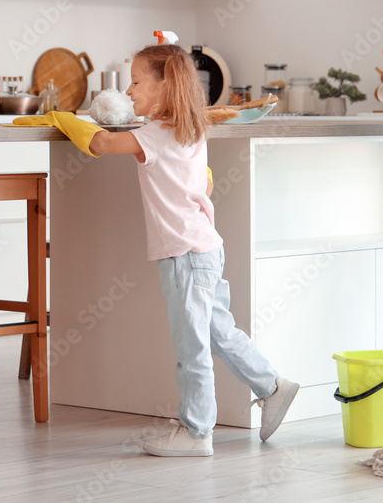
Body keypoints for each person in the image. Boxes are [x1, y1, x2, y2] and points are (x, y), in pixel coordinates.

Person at [87, 42, 299, 456]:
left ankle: (197, 432)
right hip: (203, 248)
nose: (129, 91)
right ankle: (273, 386)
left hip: (184, 255)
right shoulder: (190, 128)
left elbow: (100, 146)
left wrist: (72, 121)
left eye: (136, 82)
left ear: (166, 87)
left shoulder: (153, 134)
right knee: (218, 332)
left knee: (192, 345)